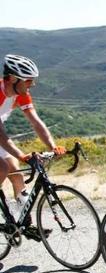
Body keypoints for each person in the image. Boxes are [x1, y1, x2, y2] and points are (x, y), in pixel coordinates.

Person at [1, 54, 65, 238]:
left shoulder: (20, 94)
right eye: (28, 80)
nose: (32, 84)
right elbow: (1, 135)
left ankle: (22, 222)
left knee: (17, 175)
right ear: (13, 78)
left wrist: (53, 146)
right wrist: (21, 155)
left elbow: (36, 122)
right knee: (3, 168)